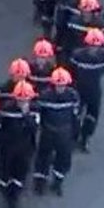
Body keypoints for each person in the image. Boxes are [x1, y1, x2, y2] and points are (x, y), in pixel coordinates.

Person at [33, 67, 80, 197]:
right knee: (43, 156)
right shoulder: (44, 96)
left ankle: (57, 182)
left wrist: (75, 134)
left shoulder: (73, 96)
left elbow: (75, 116)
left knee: (64, 159)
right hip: (48, 131)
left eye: (62, 85)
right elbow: (39, 114)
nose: (60, 87)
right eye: (58, 85)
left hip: (65, 132)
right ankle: (40, 182)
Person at [0, 80, 38, 208]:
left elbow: (34, 127)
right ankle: (5, 197)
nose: (22, 102)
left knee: (20, 174)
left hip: (25, 148)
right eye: (20, 99)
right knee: (5, 173)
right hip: (7, 147)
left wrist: (25, 115)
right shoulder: (7, 109)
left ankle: (14, 200)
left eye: (25, 99)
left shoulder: (34, 110)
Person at [69, 28, 104, 152]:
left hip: (94, 90)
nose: (94, 49)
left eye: (96, 46)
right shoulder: (77, 56)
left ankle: (85, 138)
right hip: (78, 89)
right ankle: (73, 137)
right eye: (91, 46)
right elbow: (72, 71)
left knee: (92, 115)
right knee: (74, 115)